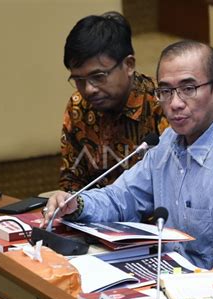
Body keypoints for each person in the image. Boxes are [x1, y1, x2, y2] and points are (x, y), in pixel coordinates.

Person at [43, 40, 213, 269]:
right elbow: (122, 198)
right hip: (171, 281)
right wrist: (77, 203)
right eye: (165, 91)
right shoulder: (167, 142)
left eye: (188, 88)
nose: (175, 104)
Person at [59, 11, 168, 192]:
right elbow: (72, 182)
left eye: (98, 76)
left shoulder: (163, 103)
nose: (89, 89)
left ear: (129, 65)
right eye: (79, 79)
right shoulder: (79, 106)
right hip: (95, 215)